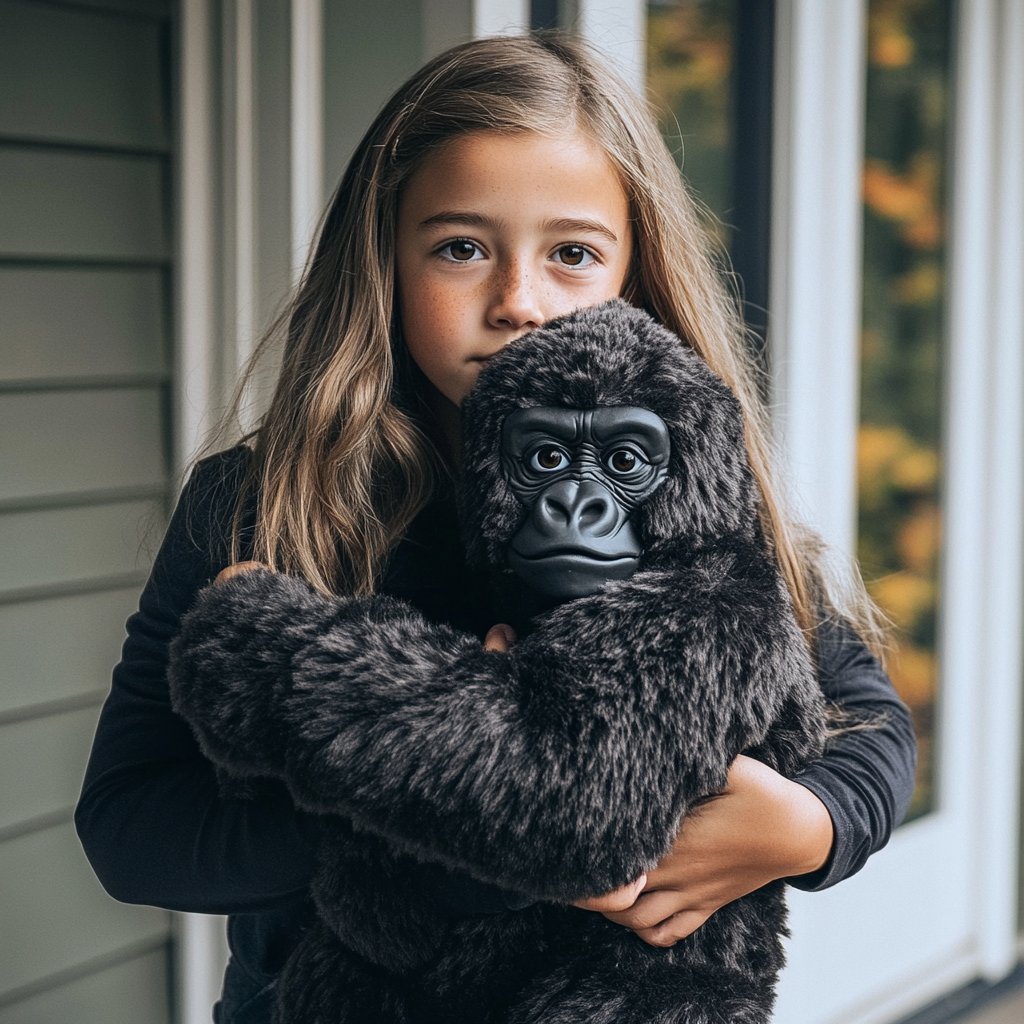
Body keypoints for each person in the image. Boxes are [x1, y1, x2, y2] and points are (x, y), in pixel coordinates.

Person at [76, 33, 916, 1024]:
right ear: (383, 260)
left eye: (571, 254)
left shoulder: (693, 489)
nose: (518, 301)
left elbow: (870, 728)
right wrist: (443, 795)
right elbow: (129, 823)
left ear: (637, 278)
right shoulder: (266, 503)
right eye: (461, 247)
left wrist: (810, 824)